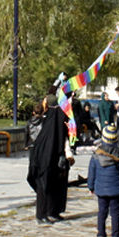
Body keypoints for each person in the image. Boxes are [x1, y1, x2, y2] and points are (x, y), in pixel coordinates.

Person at [26, 94, 73, 224]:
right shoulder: (49, 122)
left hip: (51, 158)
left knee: (54, 185)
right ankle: (41, 214)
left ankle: (52, 211)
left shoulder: (54, 119)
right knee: (43, 186)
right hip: (44, 160)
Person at [87, 125, 119, 237]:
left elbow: (91, 172)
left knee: (102, 212)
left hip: (101, 189)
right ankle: (115, 236)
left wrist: (90, 186)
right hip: (115, 188)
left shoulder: (96, 155)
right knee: (115, 213)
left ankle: (101, 235)